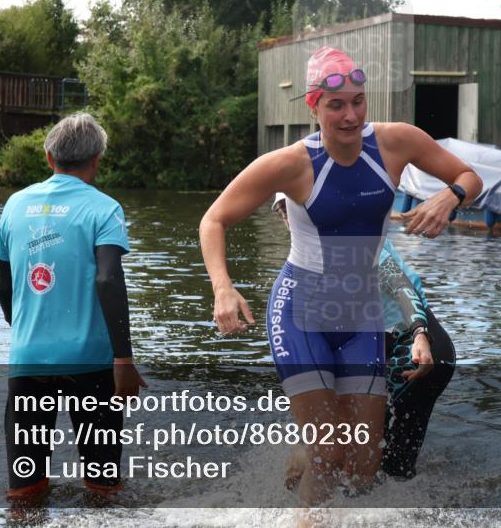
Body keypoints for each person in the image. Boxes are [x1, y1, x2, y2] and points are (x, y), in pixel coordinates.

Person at [199, 46, 481, 507]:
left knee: (364, 460)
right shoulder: (290, 163)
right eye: (336, 105)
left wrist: (449, 197)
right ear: (314, 106)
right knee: (329, 452)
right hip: (301, 309)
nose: (350, 116)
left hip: (361, 312)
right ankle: (310, 502)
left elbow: (470, 176)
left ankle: (313, 481)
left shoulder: (396, 142)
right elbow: (213, 220)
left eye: (358, 101)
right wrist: (223, 288)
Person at [0, 113, 145, 501]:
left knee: (25, 490)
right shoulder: (105, 208)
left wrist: (28, 333)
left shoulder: (14, 206)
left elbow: (3, 287)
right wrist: (124, 360)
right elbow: (108, 279)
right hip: (91, 362)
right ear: (96, 159)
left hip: (28, 358)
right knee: (103, 485)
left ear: (49, 158)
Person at [274, 195, 455, 482]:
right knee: (389, 465)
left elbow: (399, 286)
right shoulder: (308, 260)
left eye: (298, 209)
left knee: (359, 454)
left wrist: (420, 333)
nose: (293, 218)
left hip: (417, 346)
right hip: (402, 348)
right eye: (286, 212)